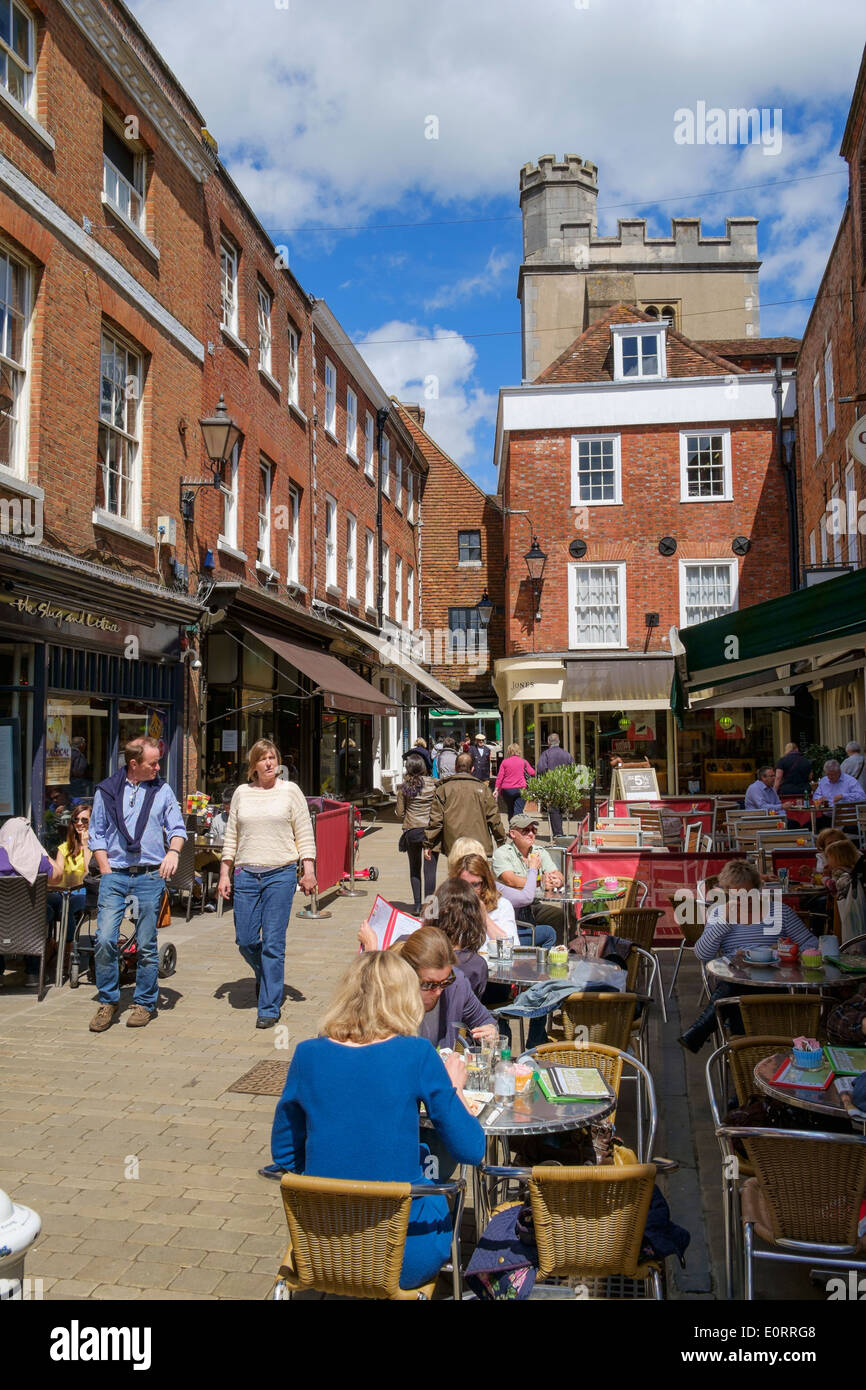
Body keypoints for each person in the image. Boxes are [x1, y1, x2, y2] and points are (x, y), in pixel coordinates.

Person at [269, 950, 484, 1289]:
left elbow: (283, 1154)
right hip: (402, 1255)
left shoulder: (307, 1054)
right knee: (444, 1191)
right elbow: (472, 1149)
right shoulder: (416, 1053)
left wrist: (334, 1177)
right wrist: (455, 1087)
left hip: (323, 1248)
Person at [87, 738, 186, 1032]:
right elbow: (97, 833)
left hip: (149, 875)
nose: (158, 768)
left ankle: (144, 1002)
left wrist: (173, 851)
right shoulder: (106, 791)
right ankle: (108, 1000)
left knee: (146, 943)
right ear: (134, 764)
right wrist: (105, 870)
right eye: (152, 763)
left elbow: (178, 828)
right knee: (105, 939)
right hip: (115, 874)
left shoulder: (162, 790)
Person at [219, 740, 316, 1029]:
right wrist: (225, 873)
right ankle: (267, 975)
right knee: (246, 940)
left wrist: (307, 870)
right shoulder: (241, 793)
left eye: (273, 757)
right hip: (246, 875)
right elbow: (231, 837)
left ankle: (269, 1006)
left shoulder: (291, 791)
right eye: (263, 759)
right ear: (254, 765)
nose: (269, 763)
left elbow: (304, 832)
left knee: (274, 942)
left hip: (280, 875)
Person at [678, 859, 819, 1052]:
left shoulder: (778, 912)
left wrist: (784, 951)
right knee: (735, 983)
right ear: (727, 892)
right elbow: (703, 954)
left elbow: (811, 944)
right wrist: (724, 922)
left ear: (759, 889)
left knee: (732, 991)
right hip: (738, 982)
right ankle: (746, 1052)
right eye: (738, 895)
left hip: (776, 980)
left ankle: (706, 1032)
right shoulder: (720, 914)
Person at [392, 925, 499, 1048]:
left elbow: (485, 1021)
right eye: (429, 984)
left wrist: (490, 1031)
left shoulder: (457, 984)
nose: (438, 991)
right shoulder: (389, 995)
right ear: (408, 975)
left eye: (445, 981)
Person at [0, 817, 63, 987]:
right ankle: (33, 973)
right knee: (46, 912)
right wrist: (41, 850)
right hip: (28, 921)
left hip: (2, 919)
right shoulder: (37, 859)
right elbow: (57, 876)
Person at [492, 815, 564, 939]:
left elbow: (558, 874)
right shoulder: (502, 853)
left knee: (561, 916)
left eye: (533, 830)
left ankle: (559, 953)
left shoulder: (539, 851)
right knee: (548, 931)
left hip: (534, 905)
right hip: (513, 908)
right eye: (525, 830)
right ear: (513, 834)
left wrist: (557, 881)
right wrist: (540, 882)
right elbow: (511, 880)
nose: (531, 834)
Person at [423, 752, 506, 861]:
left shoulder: (443, 789)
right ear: (472, 769)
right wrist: (501, 840)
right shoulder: (484, 790)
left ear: (455, 768)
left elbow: (436, 820)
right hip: (478, 846)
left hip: (454, 845)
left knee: (457, 875)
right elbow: (494, 818)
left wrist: (429, 843)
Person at [47, 803, 93, 962]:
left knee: (68, 908)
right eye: (76, 820)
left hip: (84, 893)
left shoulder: (97, 847)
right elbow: (58, 876)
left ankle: (67, 951)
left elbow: (89, 873)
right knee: (43, 903)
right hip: (64, 893)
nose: (79, 823)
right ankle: (47, 944)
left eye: (85, 820)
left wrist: (86, 845)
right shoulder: (64, 848)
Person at [396, 754, 438, 913]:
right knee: (430, 871)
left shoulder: (404, 787)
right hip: (430, 832)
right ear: (423, 768)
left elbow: (400, 813)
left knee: (414, 868)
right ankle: (430, 909)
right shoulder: (434, 784)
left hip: (412, 831)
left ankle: (417, 905)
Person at [824, 838, 866, 944]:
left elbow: (833, 886)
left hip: (846, 910)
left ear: (837, 858)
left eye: (828, 857)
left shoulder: (840, 872)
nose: (827, 860)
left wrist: (825, 878)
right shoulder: (854, 869)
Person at [536, 734, 574, 836]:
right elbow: (573, 769)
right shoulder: (566, 754)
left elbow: (541, 769)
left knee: (554, 811)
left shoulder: (546, 754)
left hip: (552, 786)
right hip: (565, 786)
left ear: (548, 742)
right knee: (561, 810)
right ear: (559, 742)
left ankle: (558, 834)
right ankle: (560, 833)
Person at [812, 759, 866, 829]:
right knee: (809, 826)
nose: (830, 777)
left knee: (849, 828)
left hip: (846, 818)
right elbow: (816, 796)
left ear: (839, 772)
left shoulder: (850, 781)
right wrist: (819, 799)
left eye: (833, 775)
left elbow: (862, 796)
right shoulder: (824, 781)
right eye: (828, 774)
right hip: (829, 817)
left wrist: (843, 796)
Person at [494, 743, 535, 821]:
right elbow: (532, 773)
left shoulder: (504, 762)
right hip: (520, 789)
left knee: (510, 810)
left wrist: (496, 789)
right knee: (518, 811)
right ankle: (516, 830)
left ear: (509, 751)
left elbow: (500, 777)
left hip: (507, 790)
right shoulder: (523, 762)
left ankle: (511, 829)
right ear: (518, 751)